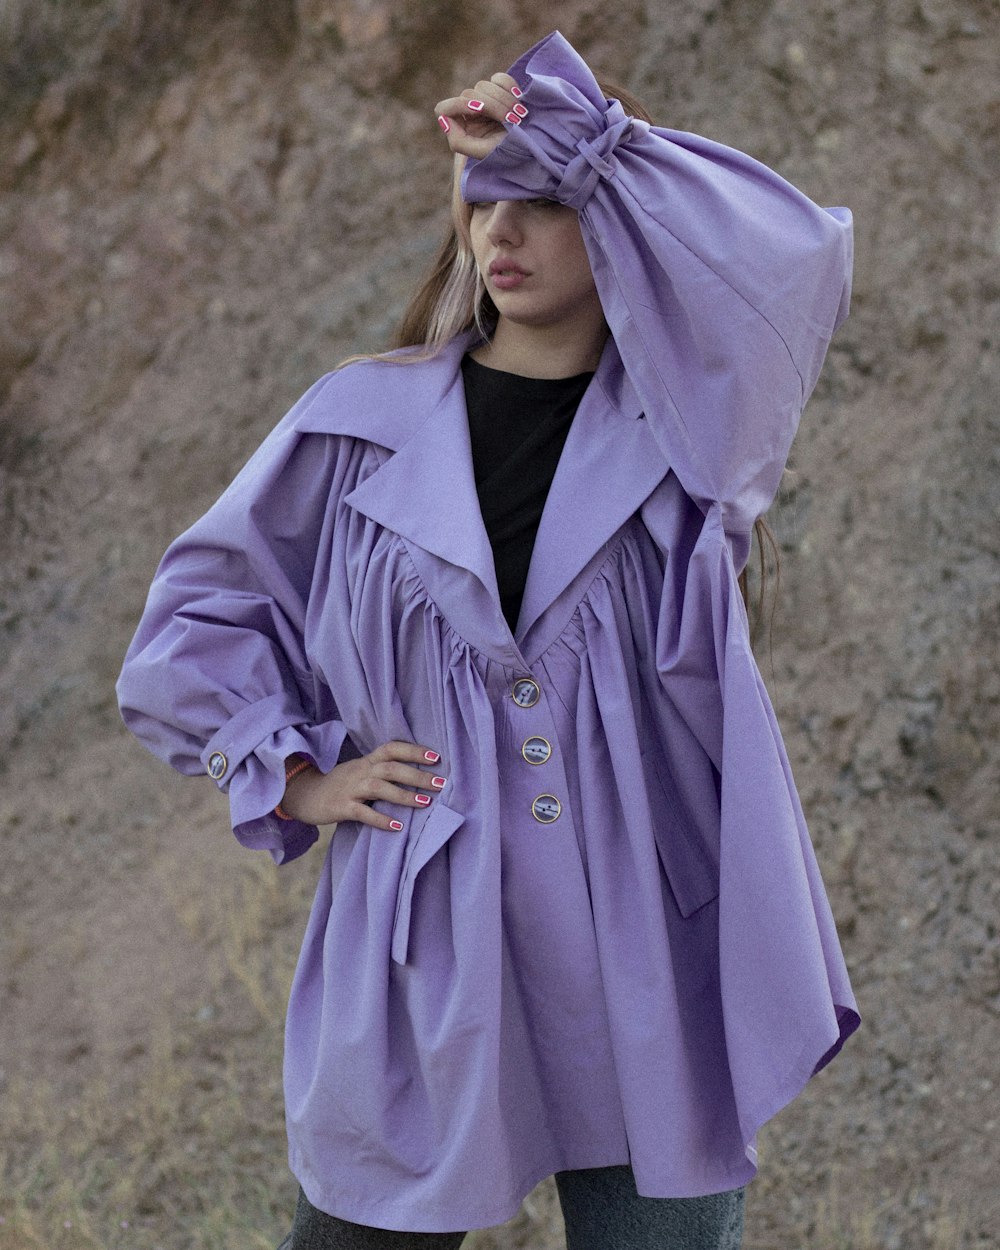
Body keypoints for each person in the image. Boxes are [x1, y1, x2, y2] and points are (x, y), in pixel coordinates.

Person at [116, 30, 860, 1250]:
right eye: (481, 200)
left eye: (542, 202)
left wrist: (585, 139)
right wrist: (294, 775)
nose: (500, 231)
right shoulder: (358, 423)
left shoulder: (688, 441)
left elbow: (792, 255)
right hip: (424, 940)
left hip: (646, 947)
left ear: (612, 216)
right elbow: (189, 627)